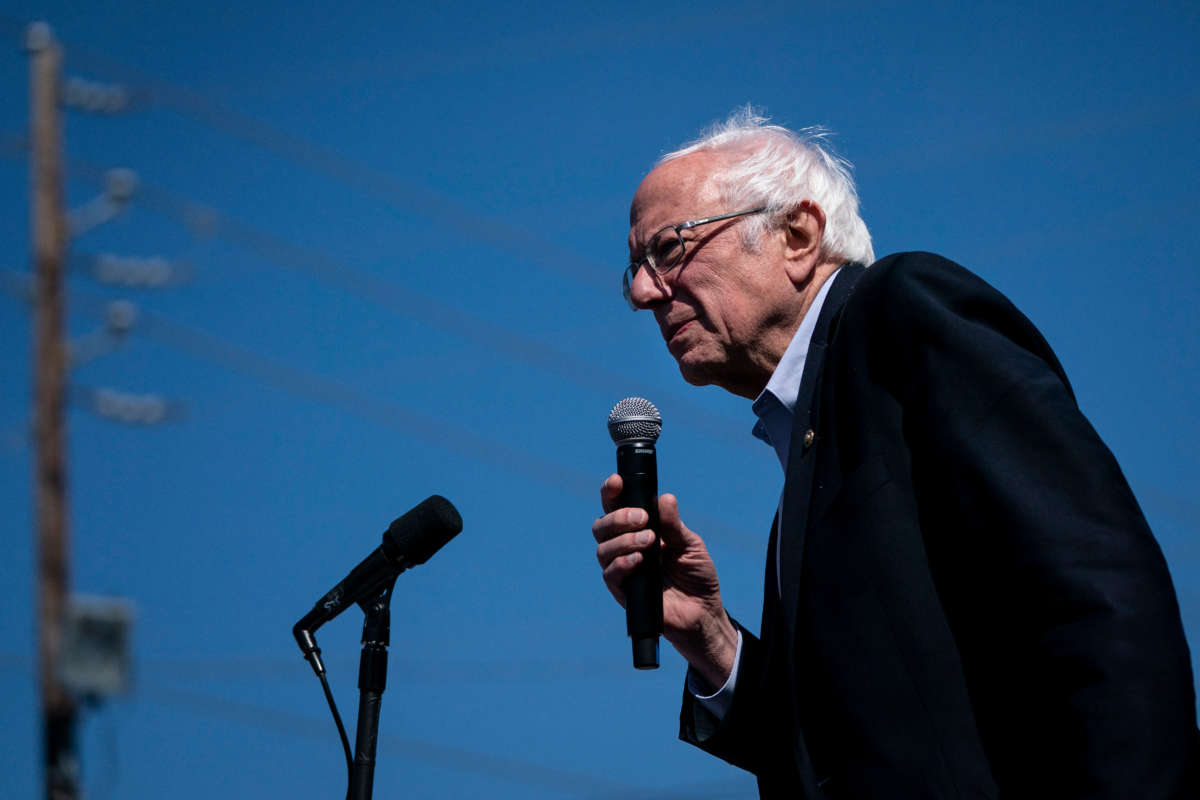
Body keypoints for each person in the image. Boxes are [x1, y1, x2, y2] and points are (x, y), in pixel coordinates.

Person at [591, 110, 1198, 799]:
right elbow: (848, 749)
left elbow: (1096, 594)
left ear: (797, 235)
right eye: (634, 271)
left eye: (669, 249)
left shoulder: (901, 315)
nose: (643, 292)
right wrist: (712, 640)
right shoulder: (806, 464)